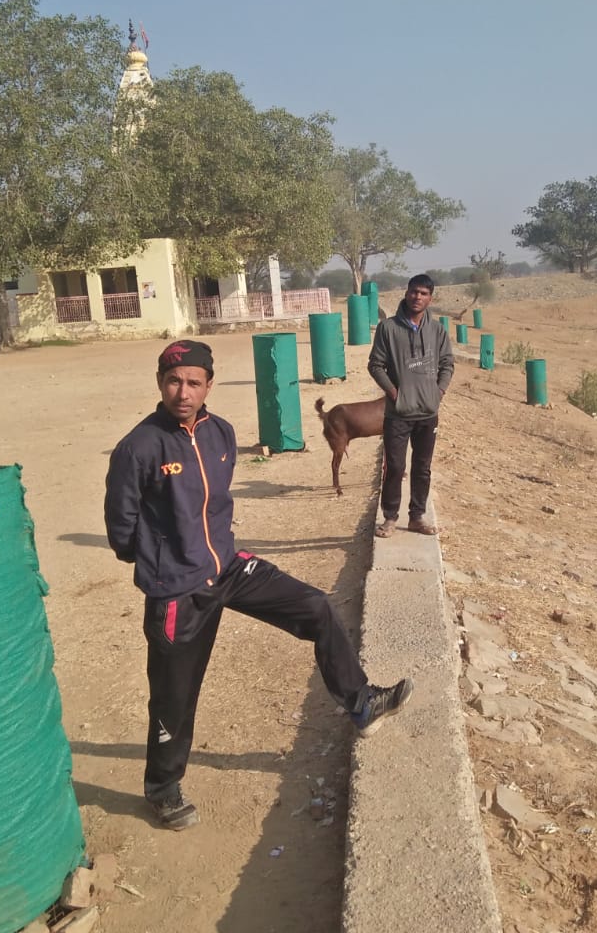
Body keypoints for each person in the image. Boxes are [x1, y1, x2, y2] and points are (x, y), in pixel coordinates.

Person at [105, 339, 413, 830]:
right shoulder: (138, 448)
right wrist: (165, 565)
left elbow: (215, 503)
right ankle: (163, 789)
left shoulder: (221, 434)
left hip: (228, 568)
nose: (183, 392)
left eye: (193, 382)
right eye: (173, 381)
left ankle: (361, 703)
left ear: (209, 385)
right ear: (160, 383)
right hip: (178, 591)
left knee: (315, 606)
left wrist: (211, 552)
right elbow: (121, 531)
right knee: (173, 698)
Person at [367, 274, 455, 537]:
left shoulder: (437, 330)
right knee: (395, 467)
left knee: (422, 468)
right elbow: (375, 365)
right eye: (414, 292)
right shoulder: (388, 328)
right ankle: (390, 518)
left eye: (423, 293)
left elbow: (447, 364)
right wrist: (395, 394)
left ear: (430, 298)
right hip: (398, 414)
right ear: (406, 293)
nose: (417, 297)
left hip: (428, 413)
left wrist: (438, 392)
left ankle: (417, 517)